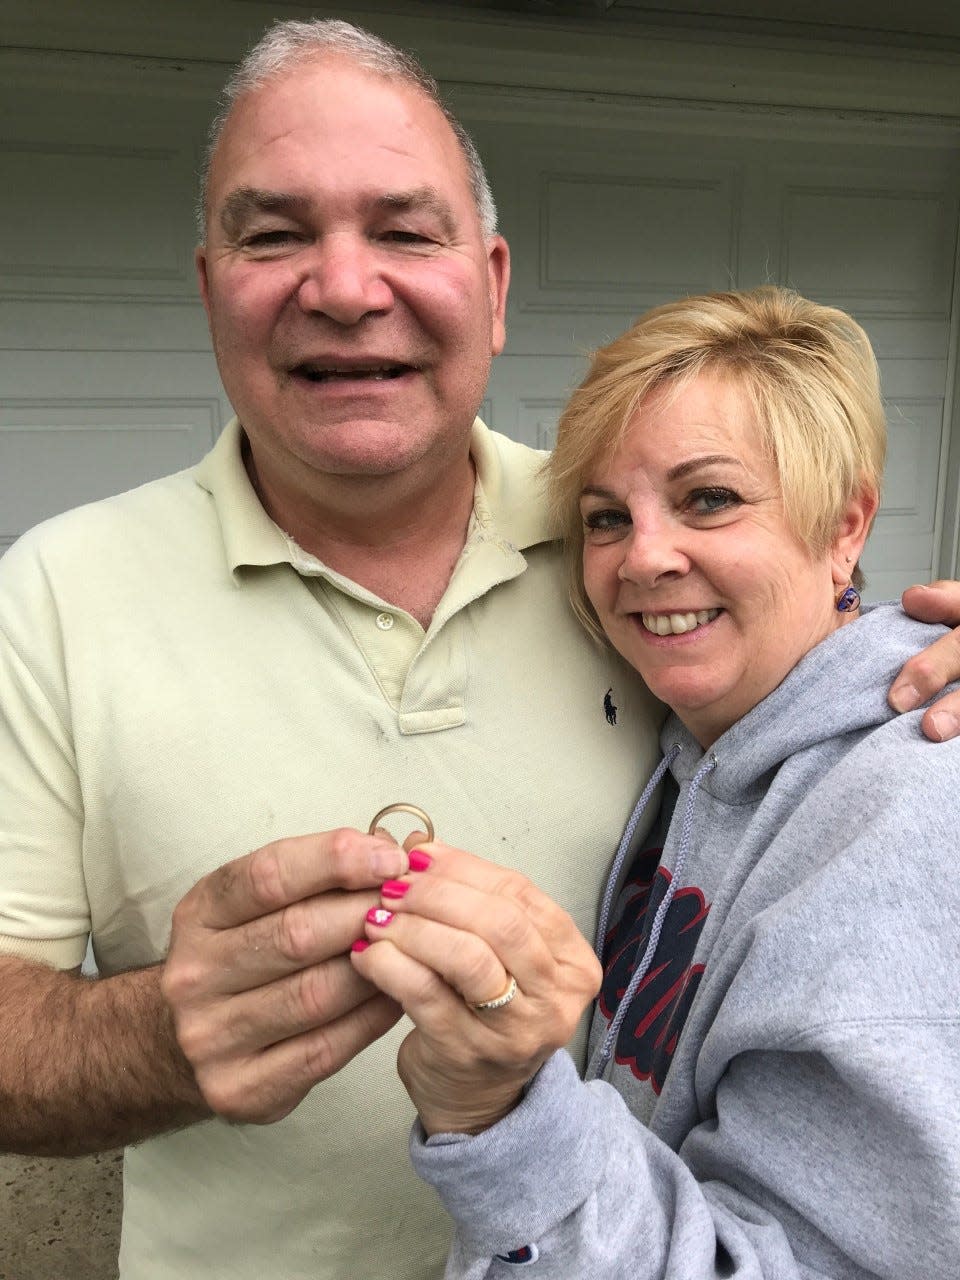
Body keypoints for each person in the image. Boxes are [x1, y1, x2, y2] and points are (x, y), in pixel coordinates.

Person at [0, 18, 957, 1280]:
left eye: (403, 228)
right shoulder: (52, 595)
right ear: (210, 286)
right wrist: (161, 1039)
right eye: (274, 231)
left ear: (495, 283)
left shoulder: (613, 549)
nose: (344, 287)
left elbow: (816, 653)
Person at [350, 287, 960, 1279]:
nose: (644, 556)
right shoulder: (696, 743)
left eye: (709, 497)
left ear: (845, 521)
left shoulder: (910, 810)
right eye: (603, 516)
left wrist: (498, 1117)